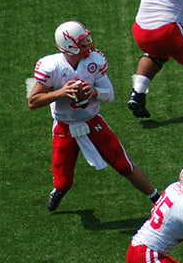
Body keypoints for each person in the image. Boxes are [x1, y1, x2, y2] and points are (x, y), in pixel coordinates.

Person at [28, 21, 161, 211]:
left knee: (124, 165)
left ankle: (156, 198)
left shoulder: (93, 61)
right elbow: (33, 102)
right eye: (82, 41)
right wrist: (61, 93)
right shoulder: (52, 67)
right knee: (63, 182)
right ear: (69, 46)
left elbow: (110, 95)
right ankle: (58, 190)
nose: (88, 44)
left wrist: (94, 91)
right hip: (64, 125)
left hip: (92, 121)